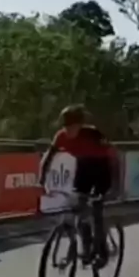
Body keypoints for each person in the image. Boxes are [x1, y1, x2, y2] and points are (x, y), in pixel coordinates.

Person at [39, 104, 118, 266]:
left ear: (80, 125)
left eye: (72, 127)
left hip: (103, 169)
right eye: (65, 127)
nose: (68, 130)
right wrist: (41, 180)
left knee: (96, 209)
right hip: (84, 169)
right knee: (79, 210)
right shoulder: (60, 136)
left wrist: (116, 184)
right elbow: (48, 157)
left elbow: (115, 157)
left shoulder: (93, 134)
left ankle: (102, 252)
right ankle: (87, 248)